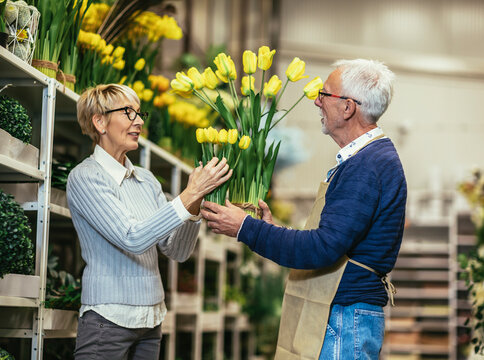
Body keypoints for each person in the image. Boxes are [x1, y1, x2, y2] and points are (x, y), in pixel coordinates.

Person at [201, 59, 407, 359]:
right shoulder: (366, 159)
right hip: (343, 314)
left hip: (342, 317)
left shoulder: (367, 165)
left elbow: (323, 249)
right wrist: (270, 231)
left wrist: (246, 227)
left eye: (324, 94)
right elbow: (331, 241)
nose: (316, 101)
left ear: (348, 108)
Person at [67, 83, 232, 360]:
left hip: (151, 319)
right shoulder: (86, 177)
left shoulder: (146, 179)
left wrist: (194, 205)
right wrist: (188, 193)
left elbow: (176, 251)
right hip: (108, 319)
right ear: (100, 122)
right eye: (128, 113)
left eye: (139, 113)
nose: (139, 121)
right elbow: (132, 238)